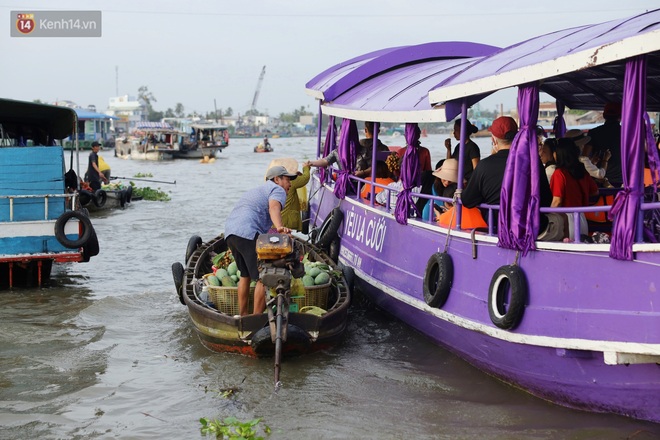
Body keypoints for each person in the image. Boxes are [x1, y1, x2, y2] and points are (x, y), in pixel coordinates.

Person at [224, 165, 297, 316]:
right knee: (263, 278)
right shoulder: (277, 189)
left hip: (231, 233)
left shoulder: (256, 191)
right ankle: (256, 319)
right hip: (248, 233)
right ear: (277, 179)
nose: (290, 184)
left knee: (245, 275)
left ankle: (243, 316)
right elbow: (273, 208)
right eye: (288, 180)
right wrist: (280, 228)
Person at [461, 116, 553, 228]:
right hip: (529, 227)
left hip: (496, 227)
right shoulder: (533, 162)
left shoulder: (484, 165)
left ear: (493, 140)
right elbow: (547, 198)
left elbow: (467, 200)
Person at [549, 138, 599, 240]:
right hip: (581, 218)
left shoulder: (559, 173)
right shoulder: (582, 171)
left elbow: (557, 201)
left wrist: (549, 216)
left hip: (566, 220)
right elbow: (595, 191)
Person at [265, 158, 310, 231]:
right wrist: (306, 167)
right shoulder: (292, 181)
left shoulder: (270, 185)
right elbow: (305, 178)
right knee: (283, 233)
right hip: (286, 218)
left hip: (273, 220)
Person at [588, 102, 622, 187]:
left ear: (604, 115)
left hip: (598, 179)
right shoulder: (627, 133)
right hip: (622, 180)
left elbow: (586, 157)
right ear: (621, 116)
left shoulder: (593, 133)